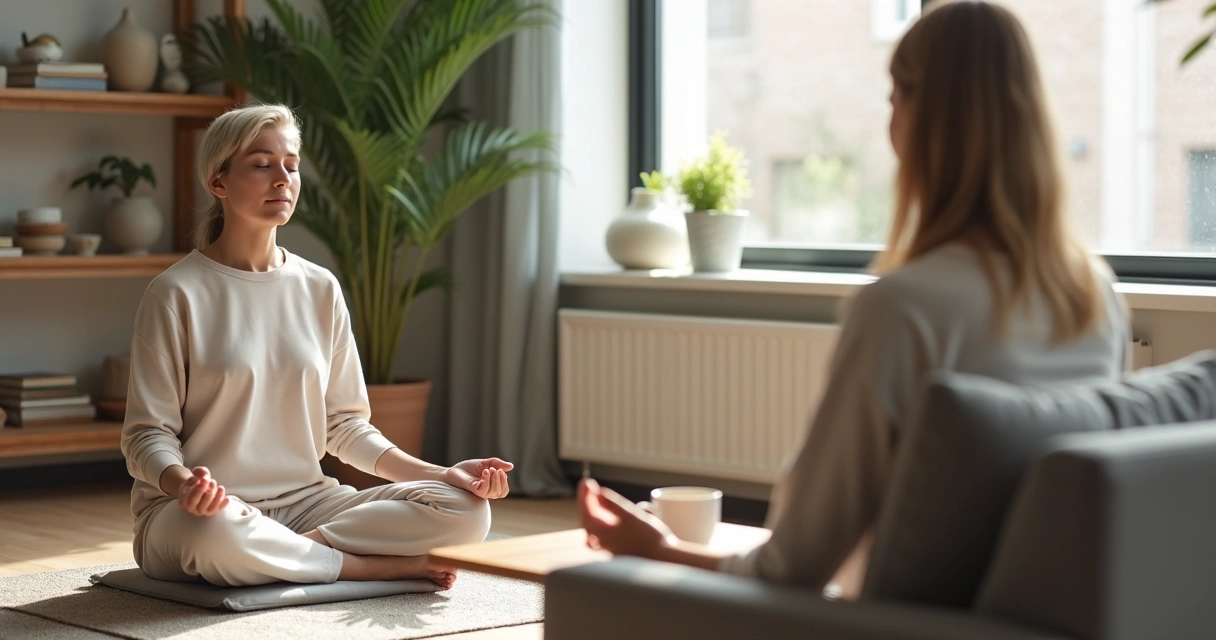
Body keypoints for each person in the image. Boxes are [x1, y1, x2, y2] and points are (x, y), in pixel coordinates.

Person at [579, 0, 1129, 598]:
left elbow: (791, 571)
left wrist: (656, 550)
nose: (890, 120)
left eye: (895, 98)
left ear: (925, 120)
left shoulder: (904, 308)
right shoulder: (1096, 299)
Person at [121, 104, 512, 589]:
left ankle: (288, 553)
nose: (282, 179)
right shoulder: (176, 293)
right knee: (216, 536)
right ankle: (371, 568)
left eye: (291, 165)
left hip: (310, 503)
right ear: (218, 183)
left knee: (468, 511)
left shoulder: (319, 287)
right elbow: (145, 438)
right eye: (262, 164)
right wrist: (186, 487)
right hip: (199, 514)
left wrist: (443, 473)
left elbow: (345, 427)